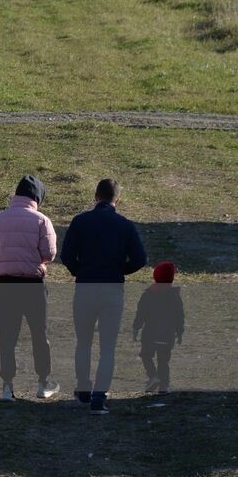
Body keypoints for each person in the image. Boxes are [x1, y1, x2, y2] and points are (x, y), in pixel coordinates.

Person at [59, 178, 147, 415]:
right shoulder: (125, 225)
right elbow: (141, 259)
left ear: (95, 196)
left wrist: (80, 271)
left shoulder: (80, 222)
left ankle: (84, 389)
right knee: (108, 346)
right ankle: (100, 396)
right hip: (112, 289)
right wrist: (120, 271)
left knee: (83, 342)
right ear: (117, 200)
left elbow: (66, 256)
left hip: (85, 287)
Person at [0, 175, 60, 401]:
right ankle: (43, 382)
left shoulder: (1, 218)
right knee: (39, 334)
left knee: (8, 336)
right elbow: (49, 253)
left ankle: (7, 386)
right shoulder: (42, 220)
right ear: (37, 197)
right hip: (33, 286)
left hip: (6, 285)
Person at [132, 261, 184, 395]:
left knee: (146, 355)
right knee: (163, 360)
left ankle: (153, 376)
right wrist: (180, 332)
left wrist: (136, 328)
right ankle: (164, 387)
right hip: (167, 334)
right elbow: (180, 315)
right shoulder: (174, 296)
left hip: (150, 333)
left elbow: (141, 313)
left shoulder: (148, 294)